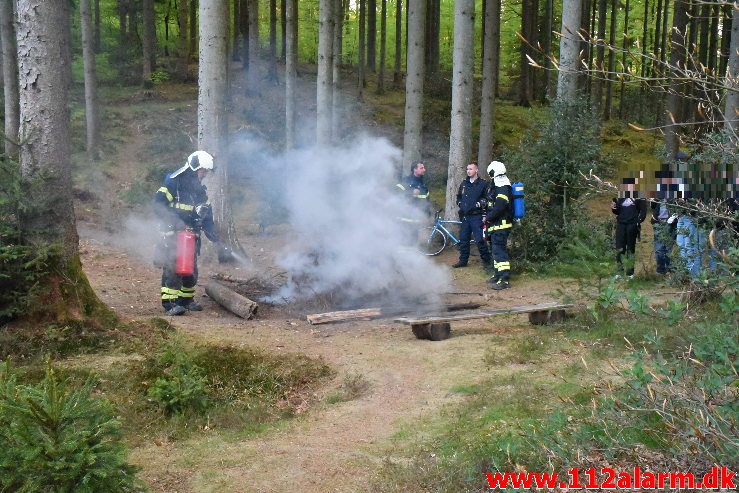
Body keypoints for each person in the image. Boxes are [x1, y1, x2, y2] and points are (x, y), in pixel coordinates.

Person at [153, 150, 222, 316]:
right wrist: (176, 223)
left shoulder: (198, 189)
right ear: (194, 167)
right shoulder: (173, 182)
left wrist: (211, 232)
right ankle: (170, 304)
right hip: (171, 234)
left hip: (190, 237)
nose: (204, 174)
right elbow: (158, 205)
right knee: (173, 268)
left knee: (190, 269)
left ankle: (185, 300)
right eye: (203, 170)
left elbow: (206, 212)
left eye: (206, 171)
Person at [453, 162, 492, 270]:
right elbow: (459, 197)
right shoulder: (464, 183)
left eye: (470, 169)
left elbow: (488, 198)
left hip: (477, 216)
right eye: (467, 169)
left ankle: (487, 261)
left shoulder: (483, 184)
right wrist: (460, 204)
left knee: (480, 240)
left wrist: (480, 206)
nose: (468, 171)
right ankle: (463, 261)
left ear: (476, 170)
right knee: (464, 239)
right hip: (465, 216)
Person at [484, 161, 514, 290]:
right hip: (495, 225)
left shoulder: (502, 186)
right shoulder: (498, 185)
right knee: (495, 252)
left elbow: (500, 206)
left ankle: (505, 280)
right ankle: (497, 275)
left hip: (501, 225)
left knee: (499, 252)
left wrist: (488, 217)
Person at [611, 195, 647, 279]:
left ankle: (630, 273)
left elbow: (643, 212)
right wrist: (614, 208)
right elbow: (617, 211)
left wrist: (638, 222)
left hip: (632, 224)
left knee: (631, 249)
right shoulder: (622, 196)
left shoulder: (640, 197)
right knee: (619, 249)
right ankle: (619, 273)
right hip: (621, 224)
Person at [396, 161, 432, 245]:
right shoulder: (405, 181)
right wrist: (411, 192)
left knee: (414, 242)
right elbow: (396, 195)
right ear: (414, 170)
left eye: (424, 168)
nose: (424, 170)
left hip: (416, 220)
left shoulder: (423, 185)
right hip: (404, 219)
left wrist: (428, 215)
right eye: (421, 168)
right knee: (403, 241)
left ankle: (411, 256)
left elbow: (426, 202)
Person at [650, 199, 678, 275]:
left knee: (668, 248)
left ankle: (670, 269)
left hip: (670, 224)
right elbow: (653, 207)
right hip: (658, 223)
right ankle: (661, 270)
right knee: (659, 248)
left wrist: (674, 217)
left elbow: (678, 210)